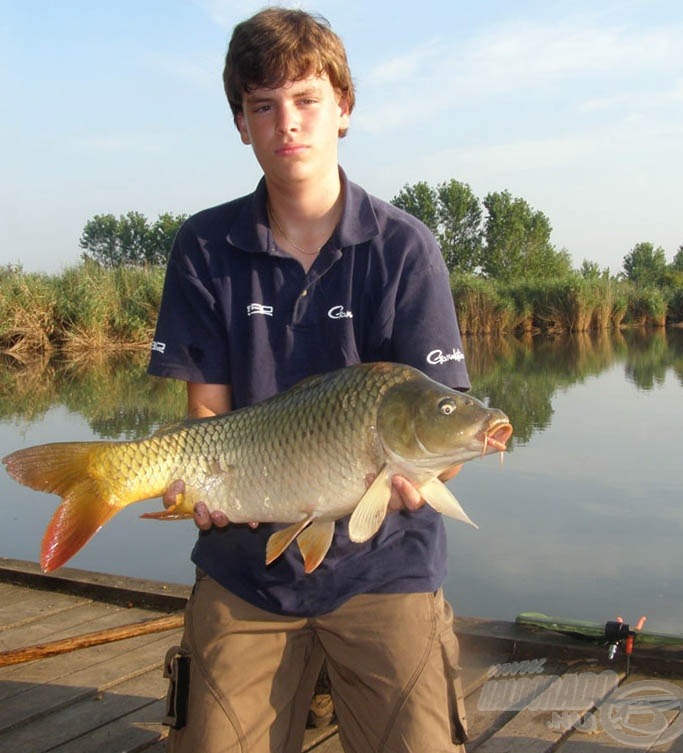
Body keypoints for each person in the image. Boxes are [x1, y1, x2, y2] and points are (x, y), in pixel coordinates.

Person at [148, 7, 471, 753]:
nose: (286, 123)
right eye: (264, 106)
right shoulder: (204, 246)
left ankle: (330, 680)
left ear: (344, 109)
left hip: (385, 563)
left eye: (306, 101)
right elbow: (205, 413)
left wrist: (422, 473)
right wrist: (198, 492)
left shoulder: (405, 249)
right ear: (241, 123)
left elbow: (441, 437)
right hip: (246, 569)